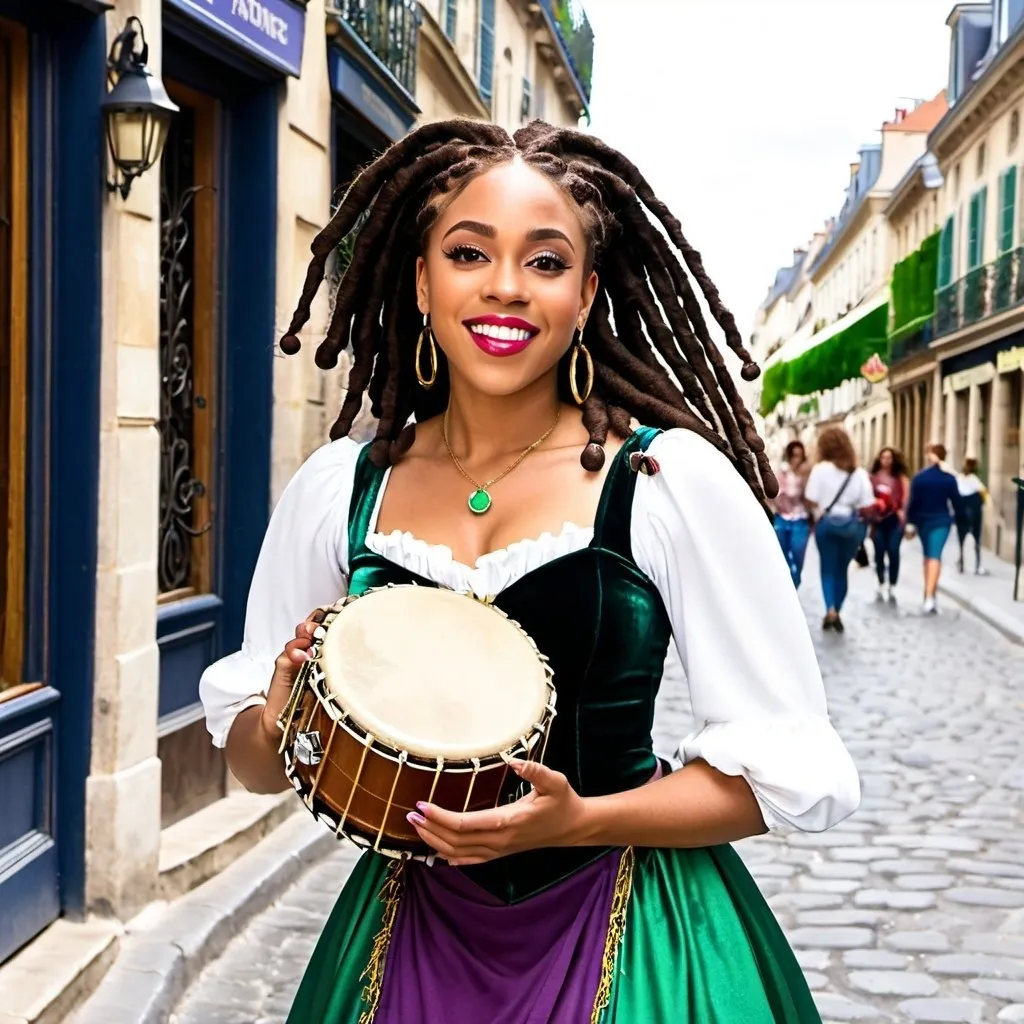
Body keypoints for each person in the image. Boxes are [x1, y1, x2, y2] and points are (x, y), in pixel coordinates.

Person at [199, 119, 859, 1023]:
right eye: (470, 253)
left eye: (545, 263)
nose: (505, 287)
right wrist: (278, 724)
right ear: (422, 279)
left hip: (633, 938)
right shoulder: (341, 490)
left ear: (587, 295)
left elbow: (778, 775)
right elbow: (256, 768)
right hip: (412, 938)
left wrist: (583, 819)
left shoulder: (667, 483)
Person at [804, 427, 876, 633]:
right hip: (851, 527)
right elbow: (867, 502)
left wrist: (818, 509)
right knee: (842, 570)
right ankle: (839, 608)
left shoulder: (820, 469)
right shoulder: (859, 473)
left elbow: (811, 499)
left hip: (826, 524)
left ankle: (830, 609)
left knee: (827, 568)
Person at [906, 443, 963, 615]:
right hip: (941, 521)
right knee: (934, 556)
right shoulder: (949, 478)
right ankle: (929, 595)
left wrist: (910, 523)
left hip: (923, 521)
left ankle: (929, 595)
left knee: (929, 556)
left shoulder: (919, 478)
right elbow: (957, 502)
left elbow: (912, 503)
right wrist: (956, 519)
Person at [868, 447, 910, 602]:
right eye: (883, 457)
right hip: (878, 521)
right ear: (879, 459)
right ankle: (880, 580)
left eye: (889, 457)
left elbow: (906, 497)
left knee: (893, 550)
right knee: (879, 551)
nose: (886, 460)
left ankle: (892, 583)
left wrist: (903, 512)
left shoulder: (901, 478)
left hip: (894, 520)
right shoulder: (873, 478)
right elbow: (867, 497)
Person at [772, 439, 812, 587]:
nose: (796, 459)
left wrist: (804, 479)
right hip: (782, 518)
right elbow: (776, 494)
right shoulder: (782, 472)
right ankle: (788, 585)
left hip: (800, 519)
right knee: (782, 555)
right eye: (794, 455)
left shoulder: (806, 473)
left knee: (798, 554)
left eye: (799, 456)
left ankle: (796, 579)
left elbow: (810, 498)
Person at [955, 457, 989, 576]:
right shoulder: (974, 479)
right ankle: (978, 565)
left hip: (961, 511)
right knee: (976, 538)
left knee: (961, 539)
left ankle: (961, 563)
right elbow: (983, 491)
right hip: (973, 511)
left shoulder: (959, 478)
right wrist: (986, 503)